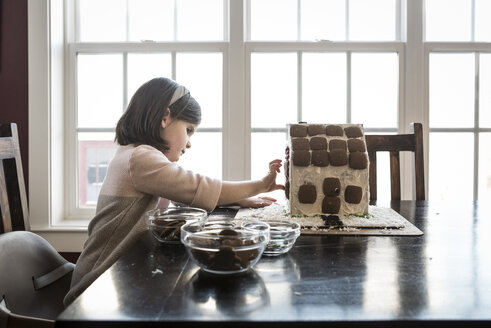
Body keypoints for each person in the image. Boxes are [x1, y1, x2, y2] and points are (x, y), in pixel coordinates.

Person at [63, 77, 284, 306]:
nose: (189, 143)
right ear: (165, 117)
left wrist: (240, 199)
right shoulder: (139, 158)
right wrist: (261, 183)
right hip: (96, 288)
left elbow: (185, 196)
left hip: (119, 278)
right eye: (188, 130)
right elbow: (195, 186)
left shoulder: (133, 155)